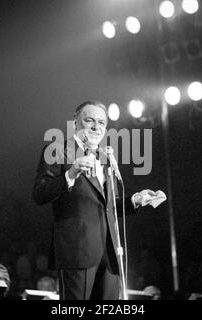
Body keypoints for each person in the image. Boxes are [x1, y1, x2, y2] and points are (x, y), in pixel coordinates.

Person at [33, 101, 160, 300]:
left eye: (101, 122)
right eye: (89, 120)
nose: (96, 127)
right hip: (77, 252)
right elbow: (39, 194)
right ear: (75, 122)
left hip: (109, 254)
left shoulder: (106, 158)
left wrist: (135, 200)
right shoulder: (58, 149)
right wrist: (71, 174)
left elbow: (110, 206)